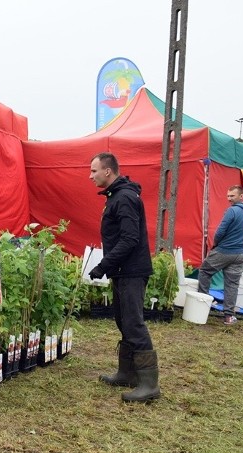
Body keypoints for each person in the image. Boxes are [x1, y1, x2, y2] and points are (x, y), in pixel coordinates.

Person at [87, 152, 159, 403]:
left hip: (132, 271)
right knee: (123, 321)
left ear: (108, 171)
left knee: (133, 323)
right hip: (122, 271)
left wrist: (103, 265)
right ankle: (127, 373)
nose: (90, 175)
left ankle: (149, 385)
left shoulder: (125, 198)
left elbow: (130, 239)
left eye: (94, 170)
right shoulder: (116, 196)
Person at [197, 185, 243, 325]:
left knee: (204, 271)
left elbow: (220, 232)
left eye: (232, 196)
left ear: (241, 196)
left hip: (224, 251)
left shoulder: (232, 211)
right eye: (228, 196)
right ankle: (229, 316)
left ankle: (202, 306)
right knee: (232, 285)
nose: (229, 199)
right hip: (240, 254)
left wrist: (215, 244)